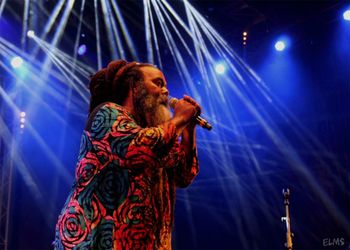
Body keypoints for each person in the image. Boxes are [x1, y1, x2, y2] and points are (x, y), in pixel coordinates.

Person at [53, 60, 200, 249]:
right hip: (96, 241)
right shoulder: (107, 114)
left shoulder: (158, 135)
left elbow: (184, 175)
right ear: (135, 86)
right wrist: (180, 118)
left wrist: (188, 129)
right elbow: (138, 150)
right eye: (158, 83)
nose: (166, 92)